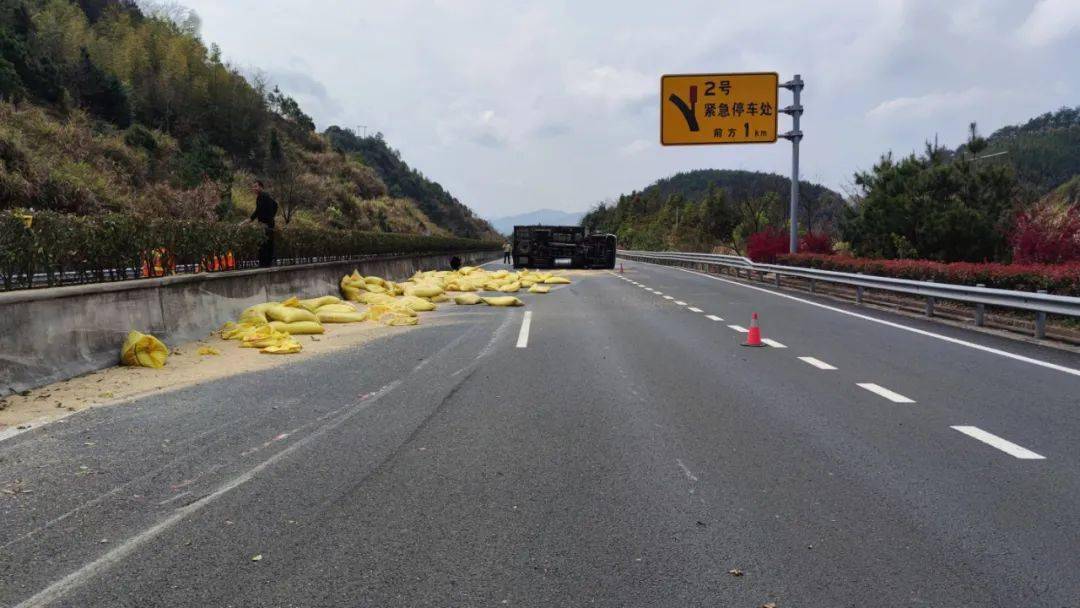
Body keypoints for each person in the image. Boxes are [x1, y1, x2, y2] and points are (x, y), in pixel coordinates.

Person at [247, 180, 279, 268]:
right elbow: (275, 205)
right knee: (266, 243)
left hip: (266, 225)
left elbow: (258, 211)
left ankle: (265, 264)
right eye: (253, 187)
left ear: (261, 187)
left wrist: (269, 218)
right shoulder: (262, 196)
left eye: (256, 186)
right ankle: (267, 263)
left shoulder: (263, 196)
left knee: (265, 244)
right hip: (267, 223)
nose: (254, 188)